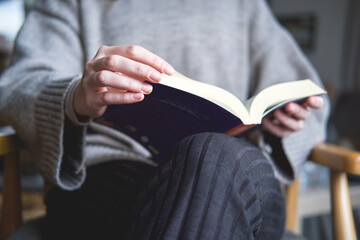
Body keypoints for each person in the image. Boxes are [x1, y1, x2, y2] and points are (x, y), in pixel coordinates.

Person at [0, 0, 329, 239]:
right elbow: (16, 88)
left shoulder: (244, 7)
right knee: (210, 158)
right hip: (110, 181)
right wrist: (76, 96)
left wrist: (282, 124)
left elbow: (311, 99)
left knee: (211, 156)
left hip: (236, 178)